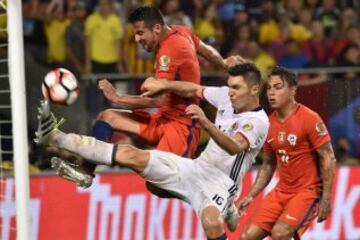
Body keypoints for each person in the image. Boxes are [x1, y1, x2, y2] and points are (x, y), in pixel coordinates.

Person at [35, 63, 269, 239]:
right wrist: (164, 84)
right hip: (195, 168)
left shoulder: (257, 121)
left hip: (221, 183)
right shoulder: (226, 97)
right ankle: (54, 136)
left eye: (236, 87)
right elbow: (193, 88)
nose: (230, 92)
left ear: (254, 89)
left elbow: (234, 147)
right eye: (229, 86)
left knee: (212, 224)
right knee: (129, 154)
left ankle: (227, 207)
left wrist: (206, 123)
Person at [55, 5, 242, 190]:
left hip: (181, 127)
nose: (137, 39)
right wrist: (223, 62)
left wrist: (118, 98)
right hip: (161, 119)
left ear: (157, 28)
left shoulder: (169, 52)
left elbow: (157, 100)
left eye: (140, 33)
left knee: (157, 186)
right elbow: (206, 49)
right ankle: (86, 173)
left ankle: (211, 189)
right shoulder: (181, 31)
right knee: (107, 117)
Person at [239, 66, 336, 240]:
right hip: (281, 191)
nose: (271, 93)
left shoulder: (309, 118)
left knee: (280, 233)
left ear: (293, 90)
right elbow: (268, 164)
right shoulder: (267, 124)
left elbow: (328, 157)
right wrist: (251, 195)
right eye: (268, 88)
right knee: (247, 236)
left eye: (278, 87)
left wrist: (326, 198)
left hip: (308, 191)